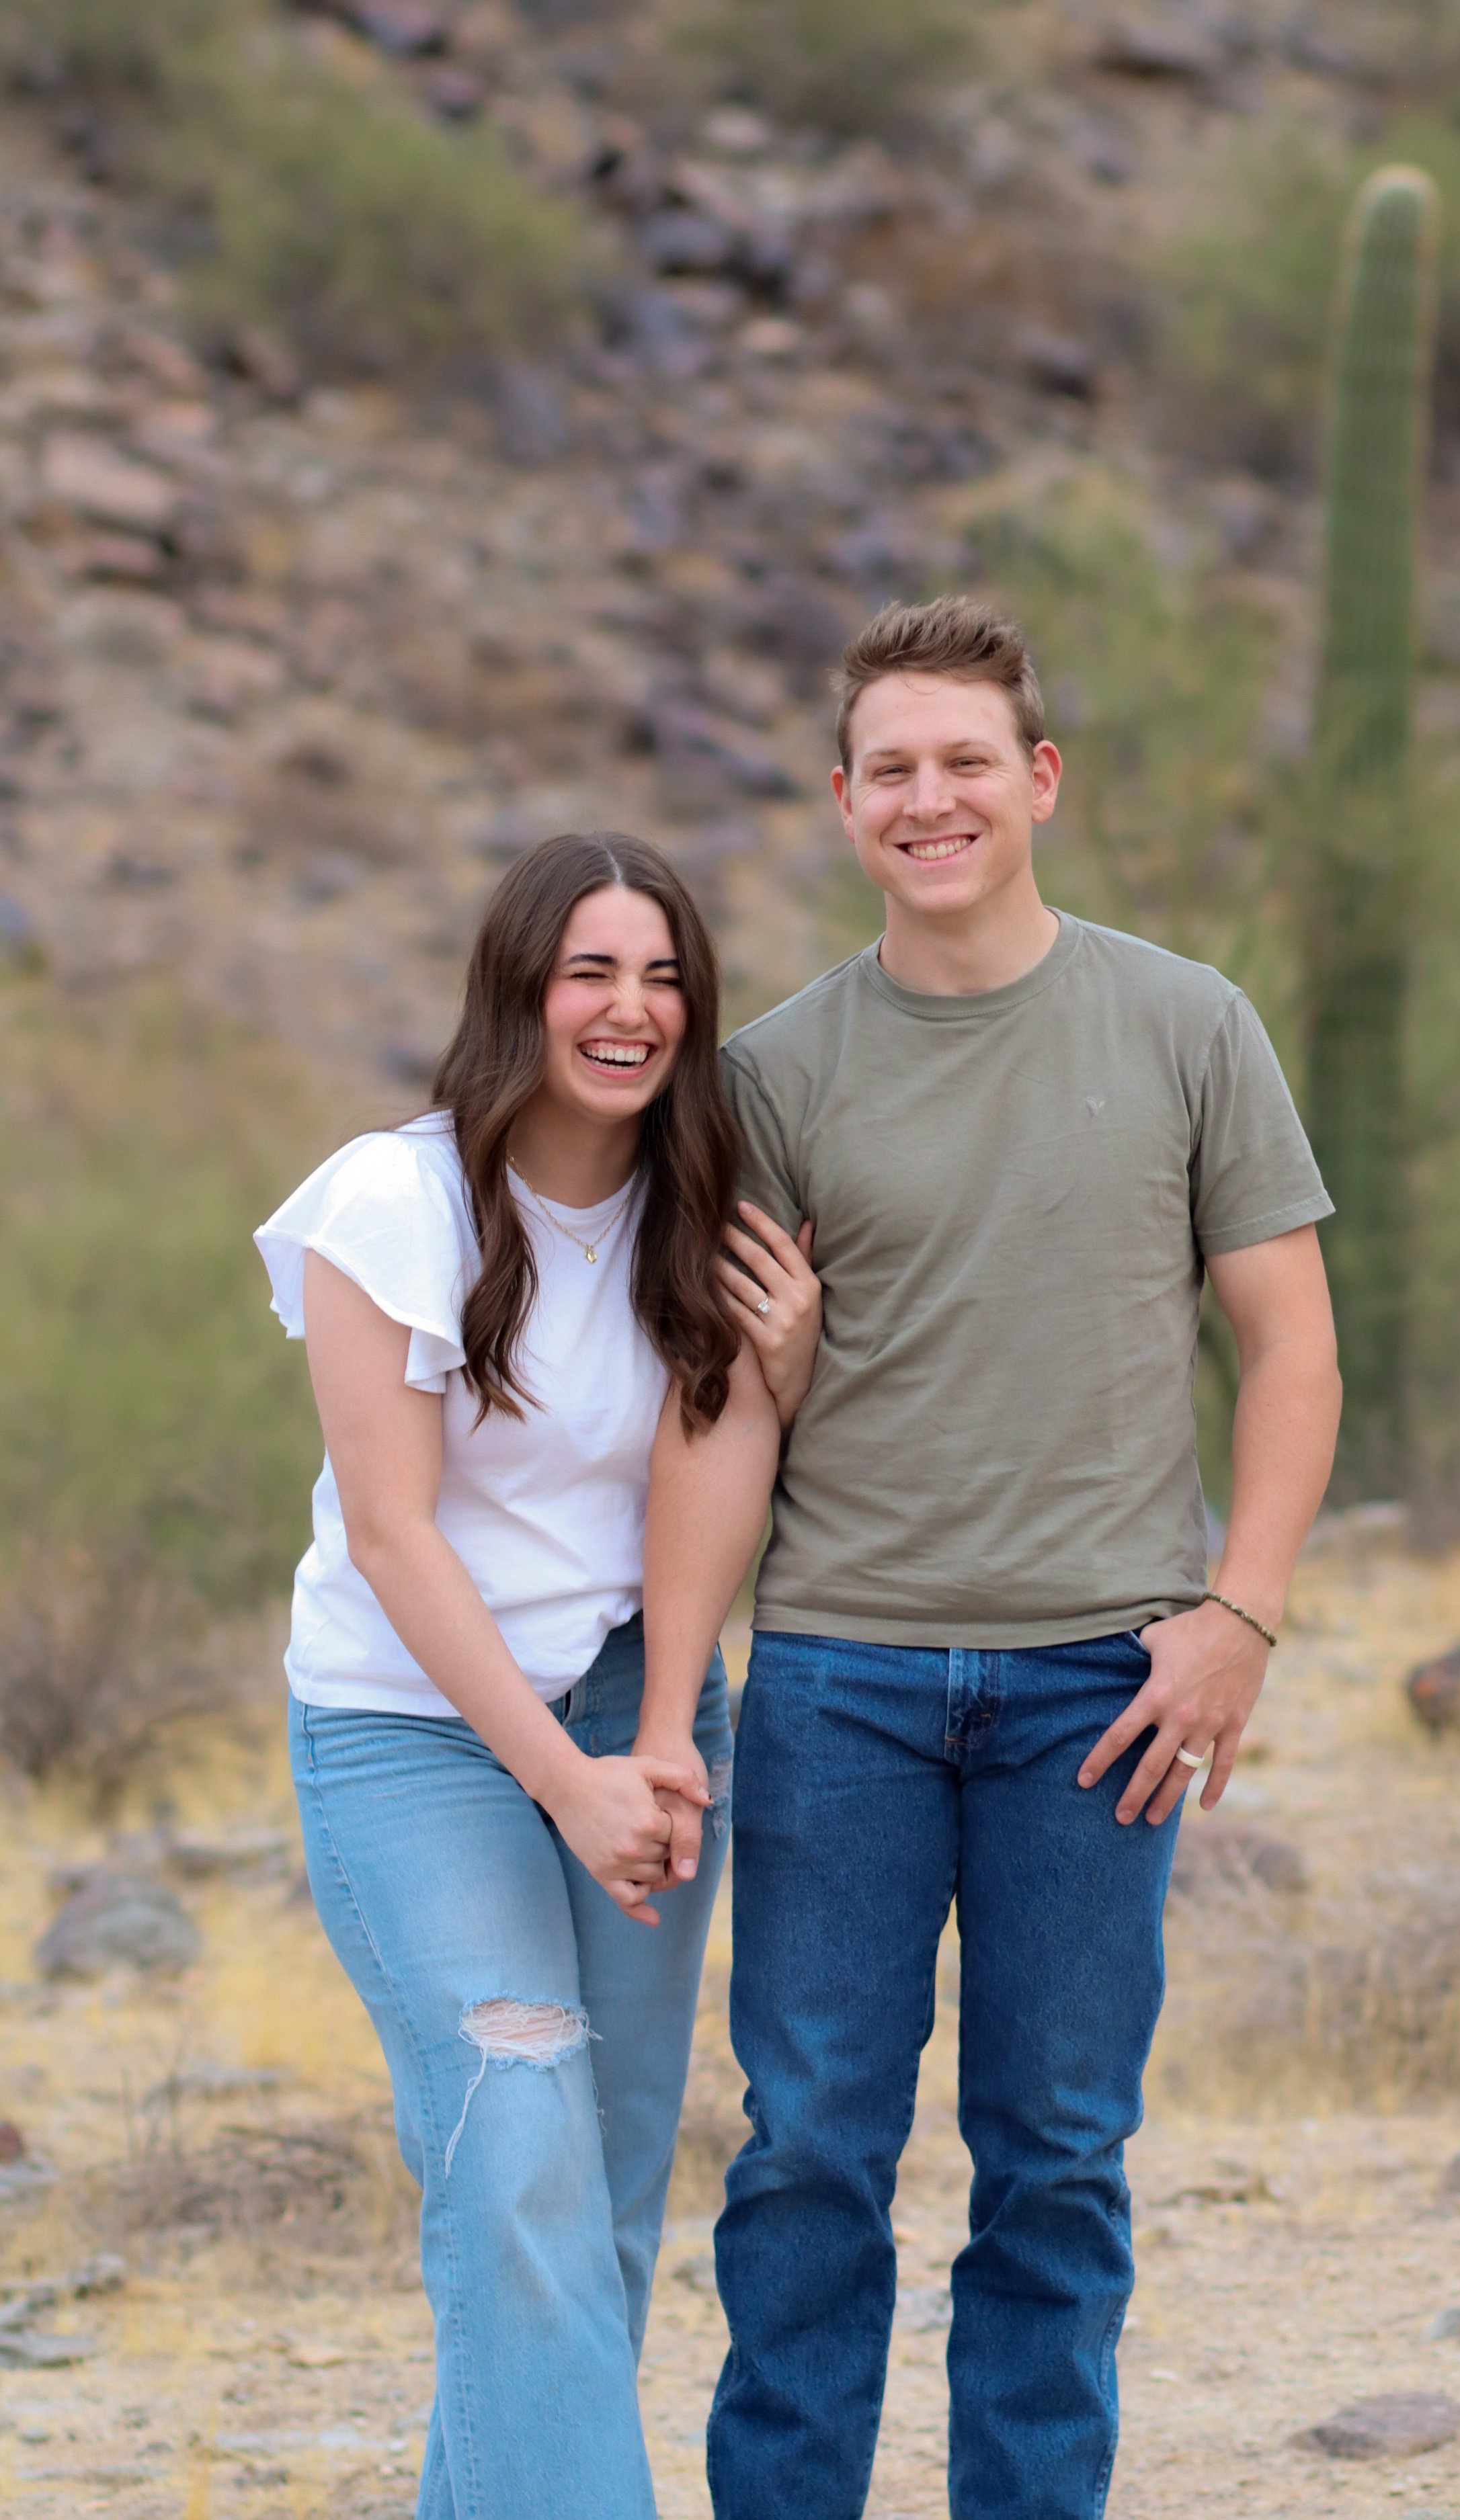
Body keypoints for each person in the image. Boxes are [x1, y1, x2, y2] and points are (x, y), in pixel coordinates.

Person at [650, 597, 1343, 2520]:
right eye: (890, 767)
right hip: (839, 1682)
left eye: (966, 760)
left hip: (1098, 1690)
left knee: (1054, 2156)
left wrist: (1239, 1617)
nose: (928, 797)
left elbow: (1289, 1346)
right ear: (844, 802)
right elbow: (726, 1401)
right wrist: (676, 1703)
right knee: (807, 2152)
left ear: (1037, 779)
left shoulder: (1185, 1020)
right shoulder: (775, 1071)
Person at [254, 833, 820, 2520]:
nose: (630, 1008)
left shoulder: (706, 1218)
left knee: (593, 2203)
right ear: (518, 990)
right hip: (415, 1737)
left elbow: (698, 1481)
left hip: (633, 1709)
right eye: (590, 970)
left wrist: (649, 1744)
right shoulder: (393, 1198)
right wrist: (561, 1784)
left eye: (662, 976)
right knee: (514, 2153)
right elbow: (394, 1535)